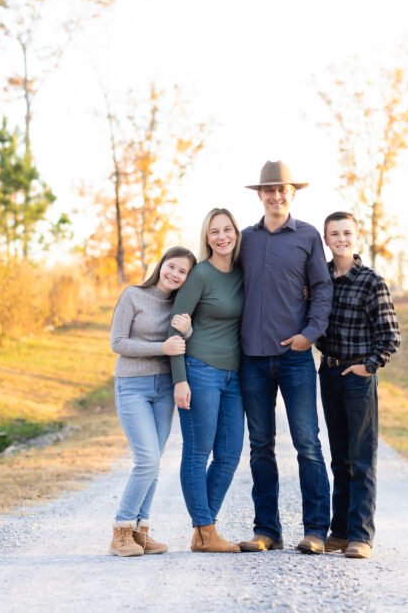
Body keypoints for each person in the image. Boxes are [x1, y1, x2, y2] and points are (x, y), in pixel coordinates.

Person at [236, 161, 334, 555]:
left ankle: (316, 531)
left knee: (307, 443)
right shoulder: (244, 239)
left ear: (293, 194)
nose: (277, 196)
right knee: (260, 445)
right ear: (260, 195)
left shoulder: (308, 236)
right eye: (270, 190)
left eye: (284, 190)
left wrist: (308, 335)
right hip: (252, 360)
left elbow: (322, 290)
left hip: (294, 358)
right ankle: (267, 531)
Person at [317, 212, 401, 559]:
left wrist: (367, 368)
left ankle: (361, 535)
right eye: (334, 234)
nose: (341, 239)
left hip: (358, 376)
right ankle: (339, 532)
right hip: (329, 373)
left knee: (361, 457)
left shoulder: (371, 282)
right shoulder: (319, 279)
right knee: (339, 458)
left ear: (357, 238)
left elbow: (390, 336)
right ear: (326, 239)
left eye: (347, 233)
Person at [109, 246, 197, 557]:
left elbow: (184, 344)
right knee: (146, 460)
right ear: (161, 265)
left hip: (163, 390)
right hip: (132, 386)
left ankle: (140, 532)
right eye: (171, 266)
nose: (174, 274)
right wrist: (162, 348)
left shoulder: (181, 306)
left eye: (182, 271)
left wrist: (189, 331)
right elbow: (117, 343)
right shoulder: (132, 295)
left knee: (155, 464)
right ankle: (120, 532)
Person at [169, 208, 245, 553]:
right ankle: (205, 529)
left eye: (227, 229)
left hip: (234, 375)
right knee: (198, 452)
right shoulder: (199, 274)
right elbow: (176, 326)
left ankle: (204, 530)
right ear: (207, 237)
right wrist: (179, 379)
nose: (222, 237)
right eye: (214, 231)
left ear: (236, 233)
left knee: (229, 455)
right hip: (199, 369)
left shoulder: (243, 272)